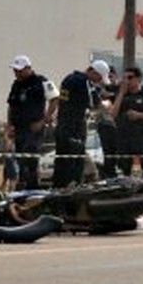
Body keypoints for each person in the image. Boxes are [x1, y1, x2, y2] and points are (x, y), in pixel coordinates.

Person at [52, 59, 111, 188]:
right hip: (74, 127)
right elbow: (97, 104)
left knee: (62, 163)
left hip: (63, 126)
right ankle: (71, 195)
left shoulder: (69, 78)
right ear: (93, 72)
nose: (98, 82)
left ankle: (58, 192)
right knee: (74, 166)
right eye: (99, 78)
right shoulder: (83, 82)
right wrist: (109, 103)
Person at [5, 55, 58, 190]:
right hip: (19, 128)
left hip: (34, 128)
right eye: (15, 70)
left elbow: (55, 99)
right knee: (21, 159)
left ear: (28, 68)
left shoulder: (41, 81)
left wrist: (43, 120)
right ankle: (23, 187)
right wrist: (10, 125)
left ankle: (32, 187)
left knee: (30, 158)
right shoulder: (16, 85)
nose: (17, 73)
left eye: (20, 70)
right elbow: (11, 105)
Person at [111, 65, 143, 179]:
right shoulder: (120, 96)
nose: (127, 81)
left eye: (130, 77)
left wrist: (139, 115)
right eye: (124, 78)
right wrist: (121, 93)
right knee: (125, 173)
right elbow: (113, 115)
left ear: (139, 79)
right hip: (124, 142)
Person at [95, 65, 120, 180]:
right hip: (105, 124)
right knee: (108, 153)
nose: (109, 79)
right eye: (108, 76)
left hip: (118, 125)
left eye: (111, 76)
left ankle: (113, 173)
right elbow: (103, 102)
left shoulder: (118, 89)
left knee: (117, 153)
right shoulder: (100, 89)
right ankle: (109, 174)